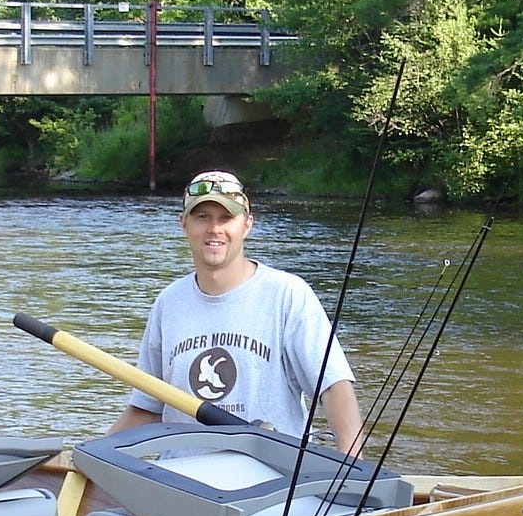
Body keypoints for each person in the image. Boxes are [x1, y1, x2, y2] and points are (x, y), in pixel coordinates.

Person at [110, 170, 365, 453]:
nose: (214, 229)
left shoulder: (288, 294)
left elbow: (333, 387)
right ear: (184, 224)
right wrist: (85, 455)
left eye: (226, 218)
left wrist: (352, 473)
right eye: (202, 216)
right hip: (179, 481)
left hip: (269, 483)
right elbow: (147, 409)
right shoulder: (167, 303)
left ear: (247, 225)